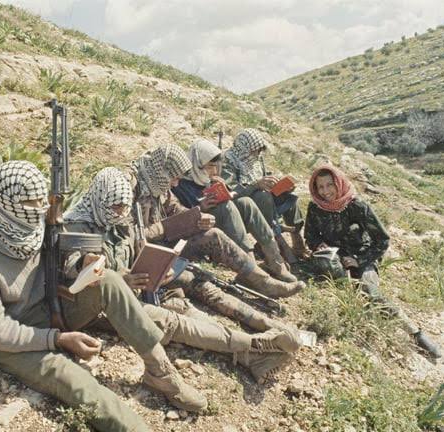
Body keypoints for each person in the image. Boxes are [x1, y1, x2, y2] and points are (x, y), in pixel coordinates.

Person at [0, 161, 207, 432]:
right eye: (30, 203)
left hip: (52, 305)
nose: (38, 209)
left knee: (108, 280)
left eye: (42, 201)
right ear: (5, 204)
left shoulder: (38, 224)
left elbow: (61, 259)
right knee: (82, 386)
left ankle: (160, 371)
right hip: (14, 341)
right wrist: (59, 339)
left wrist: (81, 264)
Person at [64, 167, 298, 383]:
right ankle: (255, 346)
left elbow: (137, 247)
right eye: (117, 208)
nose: (122, 213)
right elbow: (76, 275)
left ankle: (261, 331)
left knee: (191, 296)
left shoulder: (119, 219)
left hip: (140, 286)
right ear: (101, 198)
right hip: (105, 304)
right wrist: (120, 279)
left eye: (125, 208)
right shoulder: (77, 228)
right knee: (172, 321)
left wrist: (154, 266)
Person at [127, 144, 304, 301]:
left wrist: (195, 216)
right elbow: (132, 237)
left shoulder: (161, 186)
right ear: (162, 171)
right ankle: (259, 279)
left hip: (170, 240)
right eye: (174, 178)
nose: (175, 184)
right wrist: (177, 223)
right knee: (215, 234)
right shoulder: (132, 188)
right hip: (148, 253)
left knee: (223, 227)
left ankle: (264, 279)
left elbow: (175, 208)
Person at [304, 165, 442, 358]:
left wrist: (358, 260)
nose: (325, 191)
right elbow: (310, 237)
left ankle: (414, 333)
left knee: (370, 290)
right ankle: (352, 294)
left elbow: (382, 240)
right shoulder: (315, 207)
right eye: (320, 187)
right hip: (335, 258)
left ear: (339, 183)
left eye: (329, 185)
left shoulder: (357, 206)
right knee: (334, 272)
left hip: (362, 258)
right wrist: (321, 247)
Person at [171, 138, 296, 282]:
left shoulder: (208, 179)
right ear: (197, 164)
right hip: (197, 231)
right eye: (210, 166)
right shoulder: (180, 184)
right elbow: (177, 216)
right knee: (226, 207)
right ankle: (253, 271)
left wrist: (224, 190)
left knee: (245, 203)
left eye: (217, 166)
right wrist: (200, 208)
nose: (215, 171)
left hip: (216, 222)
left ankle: (276, 262)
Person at [221, 128, 311, 264]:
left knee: (290, 198)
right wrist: (255, 185)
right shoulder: (228, 161)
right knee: (263, 196)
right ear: (244, 148)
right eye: (255, 150)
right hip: (243, 205)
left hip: (264, 199)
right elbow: (231, 192)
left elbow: (264, 176)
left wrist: (280, 185)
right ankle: (270, 241)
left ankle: (298, 243)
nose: (258, 154)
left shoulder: (257, 159)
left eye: (260, 150)